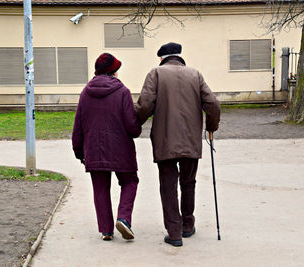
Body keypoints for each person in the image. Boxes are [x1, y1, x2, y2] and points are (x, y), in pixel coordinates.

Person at [136, 42, 220, 247]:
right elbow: (213, 104)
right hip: (191, 140)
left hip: (165, 140)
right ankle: (188, 225)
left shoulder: (156, 73)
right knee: (188, 182)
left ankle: (174, 233)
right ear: (180, 56)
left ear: (161, 58)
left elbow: (145, 105)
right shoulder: (195, 74)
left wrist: (134, 124)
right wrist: (210, 127)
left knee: (168, 185)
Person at [72, 53, 141, 241]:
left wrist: (79, 151)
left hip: (94, 149)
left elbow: (78, 125)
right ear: (114, 71)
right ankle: (124, 219)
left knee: (100, 188)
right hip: (121, 149)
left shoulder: (86, 92)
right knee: (129, 181)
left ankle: (106, 230)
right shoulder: (123, 92)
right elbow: (132, 128)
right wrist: (137, 126)